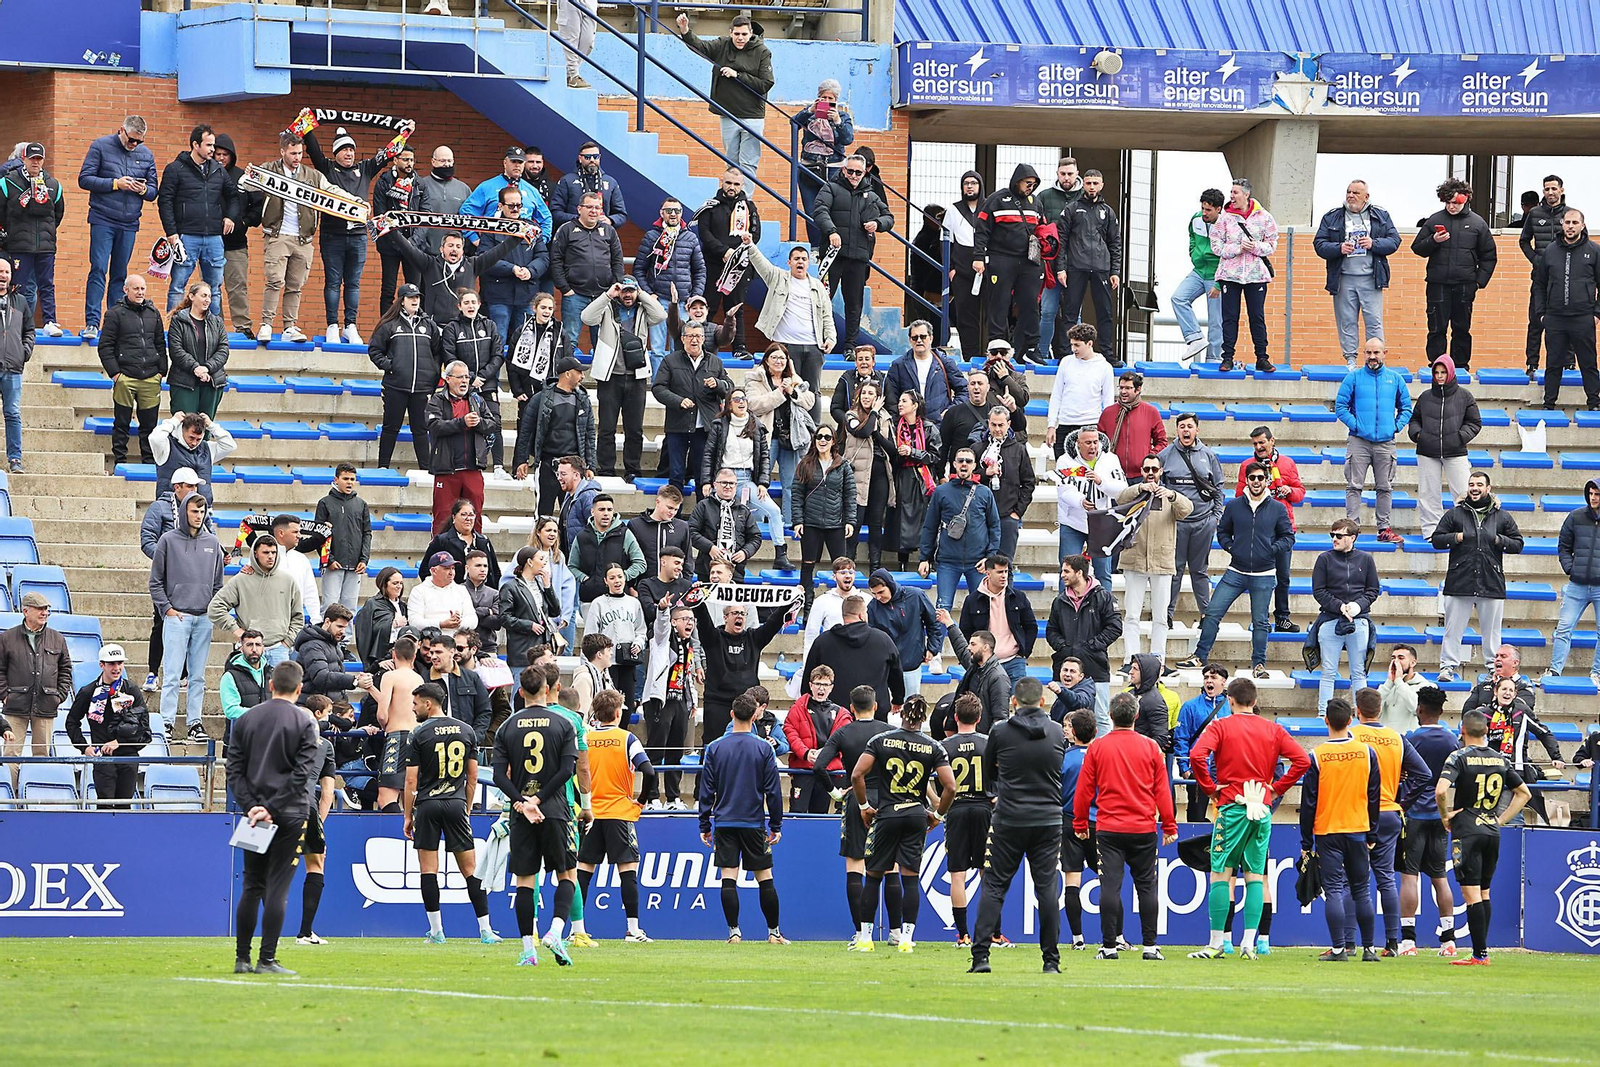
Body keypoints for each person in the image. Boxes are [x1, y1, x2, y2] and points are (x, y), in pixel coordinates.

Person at [1186, 677, 1310, 959]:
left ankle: (1216, 943)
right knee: (1255, 875)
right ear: (1255, 702)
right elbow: (1302, 761)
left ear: (1230, 700)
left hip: (1232, 806)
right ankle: (1249, 944)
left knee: (1221, 873)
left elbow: (1196, 755)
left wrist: (1209, 788)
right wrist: (1275, 788)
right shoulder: (1273, 729)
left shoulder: (1221, 726)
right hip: (1261, 807)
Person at [227, 660, 322, 975]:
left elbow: (234, 770)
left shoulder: (246, 719)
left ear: (270, 686)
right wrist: (273, 806)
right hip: (290, 812)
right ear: (299, 688)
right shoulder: (305, 722)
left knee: (252, 884)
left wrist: (253, 805)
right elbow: (302, 774)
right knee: (277, 887)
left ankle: (242, 959)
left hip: (254, 814)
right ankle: (266, 959)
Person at [968, 677, 1067, 974]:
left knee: (995, 885)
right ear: (1042, 701)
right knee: (1047, 888)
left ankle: (981, 957)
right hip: (1048, 818)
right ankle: (1051, 960)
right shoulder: (1057, 731)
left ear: (1013, 702)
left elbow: (987, 773)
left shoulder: (1000, 731)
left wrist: (999, 794)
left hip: (1009, 817)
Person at [849, 694, 956, 954]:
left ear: (901, 714)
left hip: (887, 813)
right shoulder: (934, 747)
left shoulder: (880, 740)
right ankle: (906, 938)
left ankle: (865, 938)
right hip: (915, 814)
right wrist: (937, 815)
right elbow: (950, 787)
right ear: (924, 718)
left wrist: (864, 806)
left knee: (873, 876)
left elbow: (856, 774)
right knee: (910, 879)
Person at [1074, 691, 1177, 960]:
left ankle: (1109, 947)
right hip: (1143, 827)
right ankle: (1150, 947)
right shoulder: (1151, 747)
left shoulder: (1098, 747)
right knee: (1147, 886)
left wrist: (1080, 822)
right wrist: (1169, 825)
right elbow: (1162, 790)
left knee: (1110, 885)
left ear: (1109, 716)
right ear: (1137, 715)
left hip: (1109, 828)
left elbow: (1084, 789)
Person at [492, 665, 580, 966]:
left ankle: (529, 950)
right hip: (554, 810)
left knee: (524, 881)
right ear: (547, 689)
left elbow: (499, 776)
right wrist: (540, 799)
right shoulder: (564, 724)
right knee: (566, 873)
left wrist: (522, 802)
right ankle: (556, 931)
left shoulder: (507, 727)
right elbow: (567, 770)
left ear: (520, 692)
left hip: (522, 815)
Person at [1177, 461, 1295, 680]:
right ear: (1247, 480)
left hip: (1264, 574)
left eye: (1261, 478)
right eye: (1253, 478)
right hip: (1236, 571)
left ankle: (1259, 665)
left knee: (1260, 622)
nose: (1257, 482)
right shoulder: (1234, 505)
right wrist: (1232, 547)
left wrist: (1271, 550)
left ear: (1267, 480)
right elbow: (1222, 532)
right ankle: (1200, 656)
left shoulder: (1277, 508)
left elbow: (1288, 537)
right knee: (1212, 612)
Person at [401, 681, 497, 944]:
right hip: (456, 803)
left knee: (428, 871)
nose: (413, 708)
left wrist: (408, 816)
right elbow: (473, 776)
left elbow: (410, 781)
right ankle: (486, 930)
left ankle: (436, 931)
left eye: (415, 703)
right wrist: (465, 808)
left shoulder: (418, 733)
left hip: (428, 805)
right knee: (471, 871)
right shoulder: (467, 731)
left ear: (428, 703)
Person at [1438, 710, 1532, 965]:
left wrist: (1446, 816)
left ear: (1463, 732)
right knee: (1484, 892)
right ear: (1487, 732)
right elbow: (1524, 794)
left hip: (1467, 829)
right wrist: (1500, 819)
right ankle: (1482, 950)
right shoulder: (1500, 759)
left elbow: (1441, 790)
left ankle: (1480, 955)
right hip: (1491, 829)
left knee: (1471, 895)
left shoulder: (1459, 757)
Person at [697, 692, 789, 945]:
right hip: (754, 823)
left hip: (725, 823)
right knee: (765, 878)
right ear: (755, 715)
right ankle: (774, 933)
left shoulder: (714, 747)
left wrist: (704, 824)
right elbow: (773, 791)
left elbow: (706, 791)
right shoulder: (763, 748)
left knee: (729, 878)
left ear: (732, 714)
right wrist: (776, 825)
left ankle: (734, 932)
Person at [1298, 696, 1382, 962]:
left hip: (1328, 830)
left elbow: (1308, 801)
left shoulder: (1317, 756)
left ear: (1326, 721)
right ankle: (1369, 948)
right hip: (1358, 828)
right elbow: (1374, 796)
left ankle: (1338, 949)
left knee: (1334, 890)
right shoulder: (1368, 753)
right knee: (1361, 889)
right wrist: (1373, 833)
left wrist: (1305, 840)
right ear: (1350, 720)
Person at [1352, 688, 1434, 955]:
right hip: (1389, 813)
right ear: (1381, 710)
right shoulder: (1396, 739)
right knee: (1386, 878)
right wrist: (1403, 803)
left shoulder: (1352, 736)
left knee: (1356, 880)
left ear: (1357, 710)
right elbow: (1424, 774)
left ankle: (1350, 943)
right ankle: (1391, 942)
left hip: (1358, 814)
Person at [809, 685, 892, 939]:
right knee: (892, 867)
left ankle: (861, 931)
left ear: (851, 708)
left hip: (857, 798)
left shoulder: (843, 732)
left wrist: (834, 792)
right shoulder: (889, 732)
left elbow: (820, 767)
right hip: (888, 800)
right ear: (876, 706)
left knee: (855, 866)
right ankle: (898, 931)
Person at [302, 124, 397, 344]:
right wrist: (306, 126)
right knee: (333, 282)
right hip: (332, 235)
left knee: (353, 283)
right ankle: (332, 325)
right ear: (336, 153)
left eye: (351, 149)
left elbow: (387, 154)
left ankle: (350, 326)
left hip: (357, 237)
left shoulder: (364, 168)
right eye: (344, 150)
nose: (349, 153)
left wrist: (404, 133)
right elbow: (313, 148)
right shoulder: (326, 168)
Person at [577, 689, 656, 942]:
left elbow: (573, 771)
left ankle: (575, 929)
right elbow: (650, 772)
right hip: (620, 813)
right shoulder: (627, 739)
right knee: (627, 872)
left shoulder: (585, 738)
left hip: (590, 814)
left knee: (583, 873)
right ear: (618, 713)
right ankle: (633, 929)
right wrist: (641, 801)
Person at [1433, 471, 1523, 684]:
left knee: (1492, 632)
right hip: (1459, 580)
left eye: (1479, 484)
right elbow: (1436, 539)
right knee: (1452, 629)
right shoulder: (1455, 514)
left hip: (1491, 581)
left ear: (1488, 488)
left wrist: (1499, 540)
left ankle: (1494, 668)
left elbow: (1518, 543)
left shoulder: (1502, 516)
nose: (1475, 488)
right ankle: (1448, 667)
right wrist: (1456, 537)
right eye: (1472, 484)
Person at [149, 492, 224, 742]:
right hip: (177, 616)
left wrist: (210, 610)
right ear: (183, 512)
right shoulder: (167, 541)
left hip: (203, 618)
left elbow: (217, 584)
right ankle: (167, 723)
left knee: (198, 675)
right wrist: (168, 609)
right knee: (171, 673)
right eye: (194, 511)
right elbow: (155, 581)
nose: (198, 516)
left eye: (202, 512)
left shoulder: (213, 543)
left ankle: (195, 723)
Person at [78, 116, 158, 342]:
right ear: (121, 131)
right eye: (132, 140)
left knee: (120, 275)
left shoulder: (146, 154)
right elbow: (84, 179)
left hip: (129, 221)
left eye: (139, 142)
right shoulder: (101, 146)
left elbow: (153, 191)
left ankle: (113, 324)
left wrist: (142, 190)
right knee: (98, 269)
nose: (135, 145)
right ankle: (92, 322)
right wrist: (115, 184)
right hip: (103, 218)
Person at [256, 133, 338, 343]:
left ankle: (289, 327)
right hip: (277, 234)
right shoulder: (269, 169)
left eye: (300, 153)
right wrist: (249, 177)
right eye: (293, 153)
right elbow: (247, 185)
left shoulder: (312, 175)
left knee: (295, 285)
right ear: (282, 151)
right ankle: (266, 324)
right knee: (275, 280)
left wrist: (354, 202)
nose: (297, 157)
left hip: (303, 239)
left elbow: (331, 191)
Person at [1399, 686, 1462, 956]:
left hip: (1413, 814)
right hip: (1440, 815)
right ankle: (1448, 940)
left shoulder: (1412, 739)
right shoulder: (1451, 740)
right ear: (1442, 710)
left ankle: (1408, 942)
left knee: (1409, 876)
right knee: (1440, 876)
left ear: (1419, 709)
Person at [1313, 179, 1401, 368]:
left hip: (1371, 278)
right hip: (1344, 278)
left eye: (1356, 193)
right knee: (1346, 321)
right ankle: (1350, 360)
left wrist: (1373, 244)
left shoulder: (1380, 215)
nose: (1351, 196)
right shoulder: (1333, 217)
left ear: (1366, 197)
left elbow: (1394, 241)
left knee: (1374, 321)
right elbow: (1319, 244)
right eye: (1348, 192)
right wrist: (1339, 248)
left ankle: (1375, 359)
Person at [1411, 177, 1498, 370]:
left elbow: (1489, 256)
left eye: (1455, 202)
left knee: (1461, 328)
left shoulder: (1478, 223)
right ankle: (1437, 365)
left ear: (1465, 198)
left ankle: (1460, 366)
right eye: (1447, 202)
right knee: (1436, 328)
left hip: (1465, 285)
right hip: (1437, 283)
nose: (1451, 206)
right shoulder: (1435, 220)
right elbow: (1417, 248)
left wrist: (1478, 282)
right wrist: (1434, 240)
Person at [673, 12, 773, 175]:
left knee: (748, 164)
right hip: (727, 113)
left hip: (753, 115)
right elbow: (701, 47)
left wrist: (738, 75)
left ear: (751, 33)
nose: (740, 38)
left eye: (744, 34)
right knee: (731, 163)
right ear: (730, 32)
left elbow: (766, 83)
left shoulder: (762, 52)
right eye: (737, 34)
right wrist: (685, 29)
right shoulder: (722, 44)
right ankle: (733, 198)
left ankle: (745, 199)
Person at [814, 154, 893, 355]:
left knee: (854, 305)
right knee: (822, 300)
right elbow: (820, 210)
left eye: (858, 172)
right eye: (850, 171)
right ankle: (817, 341)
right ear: (843, 170)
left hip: (858, 257)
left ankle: (850, 346)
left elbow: (889, 218)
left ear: (864, 172)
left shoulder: (872, 195)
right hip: (833, 256)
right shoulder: (831, 188)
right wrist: (831, 231)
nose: (854, 175)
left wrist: (878, 224)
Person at [1335, 338, 1412, 546]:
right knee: (1354, 486)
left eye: (1376, 353)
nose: (1372, 357)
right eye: (1368, 353)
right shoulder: (1354, 378)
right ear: (1363, 354)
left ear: (1384, 353)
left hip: (1386, 443)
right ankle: (1351, 528)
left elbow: (1406, 408)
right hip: (1358, 441)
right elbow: (1340, 406)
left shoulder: (1395, 379)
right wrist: (1357, 425)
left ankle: (1384, 529)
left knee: (1385, 487)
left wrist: (1395, 427)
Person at [1116, 454, 1191, 666]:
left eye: (1154, 469)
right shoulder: (1135, 492)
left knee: (1160, 616)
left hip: (1162, 562)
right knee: (1131, 614)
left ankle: (1158, 659)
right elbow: (1120, 498)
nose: (1150, 473)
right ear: (1141, 471)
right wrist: (1140, 489)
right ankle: (1131, 659)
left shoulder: (1169, 495)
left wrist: (1173, 495)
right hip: (1135, 559)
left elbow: (1187, 510)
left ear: (1160, 472)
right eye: (1146, 469)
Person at [586, 278, 664, 480]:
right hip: (610, 376)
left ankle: (632, 469)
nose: (627, 295)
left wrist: (642, 293)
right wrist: (608, 295)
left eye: (631, 291)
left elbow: (661, 315)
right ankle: (606, 469)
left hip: (636, 376)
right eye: (624, 291)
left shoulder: (642, 309)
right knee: (606, 427)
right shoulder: (607, 308)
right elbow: (587, 317)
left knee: (634, 428)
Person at [693, 591, 796, 741]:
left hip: (747, 704)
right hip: (718, 703)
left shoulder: (753, 638)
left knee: (746, 745)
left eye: (742, 613)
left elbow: (773, 623)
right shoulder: (714, 638)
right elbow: (703, 620)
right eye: (735, 613)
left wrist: (790, 600)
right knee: (713, 745)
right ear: (726, 617)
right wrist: (698, 599)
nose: (739, 616)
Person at [156, 124, 237, 311]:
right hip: (186, 236)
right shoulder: (175, 169)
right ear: (195, 144)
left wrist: (230, 217)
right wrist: (172, 233)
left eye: (213, 145)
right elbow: (165, 201)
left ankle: (214, 333)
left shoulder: (218, 170)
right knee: (178, 286)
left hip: (214, 237)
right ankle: (174, 329)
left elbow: (233, 196)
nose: (212, 150)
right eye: (208, 145)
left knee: (215, 289)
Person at [378, 227, 526, 326]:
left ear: (462, 250)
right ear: (442, 249)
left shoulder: (473, 264)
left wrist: (518, 237)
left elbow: (497, 252)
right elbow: (408, 249)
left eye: (458, 246)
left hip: (462, 327)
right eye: (450, 246)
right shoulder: (429, 264)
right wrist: (391, 230)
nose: (454, 249)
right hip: (435, 327)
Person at [971, 164, 1045, 361]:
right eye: (1027, 183)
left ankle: (1030, 348)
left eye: (1034, 184)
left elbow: (1042, 228)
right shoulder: (996, 200)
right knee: (999, 303)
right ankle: (997, 346)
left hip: (1029, 261)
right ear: (1017, 181)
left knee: (1031, 303)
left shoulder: (1036, 202)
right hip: (1001, 259)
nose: (1030, 187)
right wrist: (979, 257)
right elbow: (981, 230)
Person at [708, 385, 787, 567]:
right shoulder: (719, 425)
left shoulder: (757, 426)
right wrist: (707, 481)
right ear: (729, 404)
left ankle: (781, 554)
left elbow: (764, 456)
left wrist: (763, 483)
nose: (741, 402)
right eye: (736, 399)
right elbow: (708, 454)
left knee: (773, 511)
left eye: (743, 399)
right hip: (724, 477)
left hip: (746, 479)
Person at [1160, 413, 1226, 629]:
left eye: (1189, 426)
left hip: (1203, 522)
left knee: (1199, 571)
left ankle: (1206, 616)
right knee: (1175, 570)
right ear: (1176, 430)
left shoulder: (1208, 455)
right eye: (1181, 427)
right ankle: (1166, 614)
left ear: (1197, 430)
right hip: (1175, 524)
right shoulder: (1165, 455)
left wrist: (1215, 518)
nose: (1185, 430)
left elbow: (1219, 489)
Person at [1309, 519, 1382, 714]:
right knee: (1328, 672)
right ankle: (1323, 714)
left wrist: (1357, 607)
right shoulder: (1324, 559)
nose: (1334, 539)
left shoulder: (1366, 559)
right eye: (1332, 535)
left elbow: (1373, 590)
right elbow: (1319, 591)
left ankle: (1362, 714)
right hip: (1330, 618)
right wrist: (1340, 606)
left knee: (1358, 671)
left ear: (1352, 537)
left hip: (1358, 619)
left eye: (1339, 535)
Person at [368, 282, 442, 471]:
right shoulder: (390, 325)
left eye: (417, 297)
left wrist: (432, 374)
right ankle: (383, 467)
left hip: (422, 389)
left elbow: (437, 352)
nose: (415, 300)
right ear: (402, 301)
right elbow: (375, 350)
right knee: (391, 428)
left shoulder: (429, 325)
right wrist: (391, 366)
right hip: (396, 386)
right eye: (411, 297)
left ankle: (426, 469)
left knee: (421, 430)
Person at [1046, 554, 1123, 735]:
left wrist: (1091, 646)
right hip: (1065, 666)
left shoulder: (1103, 597)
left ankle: (1102, 759)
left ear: (1079, 573)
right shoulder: (1060, 600)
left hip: (1095, 667)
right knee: (1061, 717)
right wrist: (1063, 646)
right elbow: (1051, 630)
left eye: (1066, 571)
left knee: (1101, 717)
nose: (1062, 575)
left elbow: (1115, 627)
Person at [65, 643, 149, 808]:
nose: (116, 668)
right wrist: (84, 747)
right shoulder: (88, 692)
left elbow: (144, 727)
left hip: (129, 757)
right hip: (102, 758)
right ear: (101, 665)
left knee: (124, 806)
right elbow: (72, 722)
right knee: (105, 806)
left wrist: (119, 742)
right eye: (111, 663)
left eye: (120, 663)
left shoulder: (131, 690)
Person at [936, 694, 991, 947]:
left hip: (956, 809)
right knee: (986, 871)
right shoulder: (989, 743)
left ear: (956, 717)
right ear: (979, 718)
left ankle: (963, 934)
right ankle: (993, 933)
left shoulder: (944, 747)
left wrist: (937, 801)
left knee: (957, 873)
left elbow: (928, 778)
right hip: (983, 808)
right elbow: (1007, 776)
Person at [744, 343, 815, 537]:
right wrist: (780, 393)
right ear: (767, 360)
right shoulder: (755, 377)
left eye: (782, 358)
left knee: (791, 483)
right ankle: (755, 525)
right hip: (766, 438)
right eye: (774, 357)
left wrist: (793, 392)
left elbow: (809, 401)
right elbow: (753, 405)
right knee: (759, 482)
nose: (779, 361)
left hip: (790, 439)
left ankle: (791, 523)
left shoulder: (793, 378)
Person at [653, 320, 734, 491]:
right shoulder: (670, 360)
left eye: (698, 336)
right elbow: (658, 388)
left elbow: (730, 389)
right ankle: (674, 515)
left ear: (704, 339)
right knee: (676, 474)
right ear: (682, 339)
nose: (694, 340)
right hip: (678, 425)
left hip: (705, 428)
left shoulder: (715, 362)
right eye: (690, 336)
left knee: (702, 475)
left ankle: (701, 515)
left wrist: (718, 384)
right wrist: (678, 401)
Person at [1238, 426, 1305, 633]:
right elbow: (1239, 494)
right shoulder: (1247, 466)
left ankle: (1282, 617)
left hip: (1283, 528)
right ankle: (1261, 619)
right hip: (1257, 530)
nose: (1258, 447)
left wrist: (1289, 490)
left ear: (1272, 441)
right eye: (1255, 444)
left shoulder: (1287, 463)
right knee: (1260, 577)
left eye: (1262, 443)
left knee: (1283, 576)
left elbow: (1300, 492)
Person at [1053, 169, 1122, 365]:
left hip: (1101, 268)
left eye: (1095, 183)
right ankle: (1065, 355)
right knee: (1070, 312)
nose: (1092, 186)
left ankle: (1108, 354)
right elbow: (1062, 241)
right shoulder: (1072, 209)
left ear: (1102, 185)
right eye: (1089, 183)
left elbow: (1115, 243)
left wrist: (1115, 271)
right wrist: (1061, 268)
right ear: (1083, 184)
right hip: (1076, 267)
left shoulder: (1108, 211)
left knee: (1105, 312)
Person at [1533, 206, 1600, 410]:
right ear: (1562, 224)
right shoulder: (1550, 251)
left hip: (1583, 317)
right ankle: (1549, 404)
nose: (1570, 226)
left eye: (1574, 223)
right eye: (1567, 222)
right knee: (1553, 363)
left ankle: (1595, 403)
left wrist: (1597, 313)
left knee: (1588, 363)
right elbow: (1539, 284)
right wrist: (1542, 313)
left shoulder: (1594, 251)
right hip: (1555, 318)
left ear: (1583, 225)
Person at [639, 597, 702, 809]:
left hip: (680, 701)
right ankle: (652, 797)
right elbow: (661, 626)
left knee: (676, 751)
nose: (690, 623)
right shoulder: (662, 640)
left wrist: (692, 699)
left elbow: (687, 674)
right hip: (660, 701)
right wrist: (663, 610)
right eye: (685, 619)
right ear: (674, 622)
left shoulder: (689, 645)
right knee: (656, 750)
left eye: (692, 620)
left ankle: (673, 797)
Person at [1210, 178, 1278, 373]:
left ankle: (1262, 358)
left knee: (1257, 316)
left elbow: (1272, 244)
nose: (1232, 196)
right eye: (1231, 192)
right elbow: (1216, 245)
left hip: (1256, 275)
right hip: (1230, 275)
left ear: (1246, 194)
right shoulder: (1224, 218)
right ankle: (1227, 358)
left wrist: (1255, 247)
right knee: (1229, 316)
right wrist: (1237, 249)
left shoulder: (1264, 217)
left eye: (1235, 192)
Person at [1408, 355, 1481, 537]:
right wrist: (1419, 435)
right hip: (1427, 451)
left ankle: (1468, 531)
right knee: (1428, 493)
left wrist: (1459, 437)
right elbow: (1415, 419)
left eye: (1443, 372)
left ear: (1450, 373)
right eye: (1437, 372)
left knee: (1464, 492)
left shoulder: (1464, 396)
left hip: (1455, 451)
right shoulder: (1425, 397)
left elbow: (1474, 422)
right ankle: (1431, 532)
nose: (1440, 376)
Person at [920, 447, 1000, 611]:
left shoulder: (985, 493)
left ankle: (977, 638)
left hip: (978, 563)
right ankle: (937, 639)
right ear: (954, 464)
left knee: (981, 609)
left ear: (974, 465)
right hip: (947, 562)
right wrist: (924, 558)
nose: (964, 464)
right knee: (942, 609)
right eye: (961, 461)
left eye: (968, 461)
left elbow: (994, 526)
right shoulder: (941, 492)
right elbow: (930, 526)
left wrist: (989, 557)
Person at [208, 531, 302, 670]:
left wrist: (287, 642)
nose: (270, 556)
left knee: (279, 692)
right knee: (248, 691)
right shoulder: (241, 580)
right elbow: (214, 608)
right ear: (255, 554)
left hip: (279, 650)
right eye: (265, 552)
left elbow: (298, 617)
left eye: (273, 552)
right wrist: (237, 631)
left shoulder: (289, 581)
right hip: (249, 649)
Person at [426, 359, 500, 534]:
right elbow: (434, 426)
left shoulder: (477, 399)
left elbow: (493, 424)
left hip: (472, 469)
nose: (465, 381)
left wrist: (479, 422)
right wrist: (462, 422)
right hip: (446, 470)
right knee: (443, 516)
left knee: (474, 515)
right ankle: (441, 556)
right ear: (448, 379)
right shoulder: (437, 400)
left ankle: (474, 554)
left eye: (467, 377)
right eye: (460, 377)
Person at [99, 274, 166, 466]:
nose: (140, 292)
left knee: (150, 426)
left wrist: (161, 371)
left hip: (151, 378)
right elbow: (105, 346)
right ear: (126, 290)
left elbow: (160, 344)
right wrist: (116, 374)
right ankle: (120, 461)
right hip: (125, 378)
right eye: (136, 288)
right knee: (121, 423)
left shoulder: (153, 313)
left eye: (143, 288)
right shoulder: (114, 314)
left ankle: (149, 463)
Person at [694, 168, 761, 356]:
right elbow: (705, 234)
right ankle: (701, 346)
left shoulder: (750, 208)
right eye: (728, 183)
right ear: (721, 182)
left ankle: (739, 348)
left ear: (742, 185)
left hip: (739, 266)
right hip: (714, 264)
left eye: (736, 184)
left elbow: (755, 235)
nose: (732, 187)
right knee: (708, 307)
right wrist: (724, 251)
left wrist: (736, 253)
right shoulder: (710, 207)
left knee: (736, 308)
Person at [0, 142, 64, 338]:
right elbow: (1, 212)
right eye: (32, 159)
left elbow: (58, 213)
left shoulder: (53, 184)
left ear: (43, 161)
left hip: (45, 245)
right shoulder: (8, 182)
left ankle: (50, 321)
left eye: (39, 159)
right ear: (24, 159)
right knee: (19, 285)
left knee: (47, 284)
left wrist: (48, 234)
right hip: (19, 244)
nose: (35, 163)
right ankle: (18, 324)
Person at [514, 359, 597, 509]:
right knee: (543, 513)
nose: (583, 376)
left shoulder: (583, 400)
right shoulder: (540, 398)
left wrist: (590, 465)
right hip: (547, 464)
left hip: (574, 466)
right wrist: (521, 460)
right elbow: (526, 431)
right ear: (567, 374)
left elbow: (589, 434)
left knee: (573, 514)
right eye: (579, 372)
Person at [790, 423, 857, 607]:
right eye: (819, 436)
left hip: (836, 523)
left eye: (827, 437)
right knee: (807, 564)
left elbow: (850, 494)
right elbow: (796, 494)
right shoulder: (805, 463)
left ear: (833, 441)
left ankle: (844, 603)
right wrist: (798, 521)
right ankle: (806, 603)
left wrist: (850, 520)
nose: (823, 440)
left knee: (842, 567)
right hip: (811, 522)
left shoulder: (842, 465)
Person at [551, 190, 625, 355]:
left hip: (603, 295)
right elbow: (555, 260)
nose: (594, 211)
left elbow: (617, 261)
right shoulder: (566, 230)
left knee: (602, 343)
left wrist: (615, 285)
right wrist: (565, 289)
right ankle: (566, 379)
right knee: (569, 341)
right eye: (589, 207)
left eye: (597, 208)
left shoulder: (609, 231)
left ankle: (603, 381)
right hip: (574, 295)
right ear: (579, 209)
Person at [955, 554, 1037, 695]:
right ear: (987, 573)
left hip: (1014, 661)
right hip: (985, 664)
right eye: (999, 572)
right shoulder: (972, 600)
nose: (1004, 576)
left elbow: (1031, 627)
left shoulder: (1019, 597)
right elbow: (965, 632)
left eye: (1006, 572)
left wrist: (1023, 653)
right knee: (985, 708)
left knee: (1017, 707)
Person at [1056, 427, 1124, 586]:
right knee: (1067, 570)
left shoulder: (1111, 459)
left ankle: (1105, 609)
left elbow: (1122, 489)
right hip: (1073, 522)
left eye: (1095, 442)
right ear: (1078, 444)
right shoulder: (1065, 461)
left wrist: (1101, 482)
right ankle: (1065, 608)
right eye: (1087, 443)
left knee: (1103, 572)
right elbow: (1064, 490)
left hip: (1101, 521)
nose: (1092, 446)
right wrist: (1081, 501)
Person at [1548, 480, 1600, 685]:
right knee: (1563, 628)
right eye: (1591, 493)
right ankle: (1555, 671)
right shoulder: (1576, 516)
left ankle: (1597, 673)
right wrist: (1571, 568)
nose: (1593, 498)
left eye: (1597, 494)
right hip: (1577, 585)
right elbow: (1563, 546)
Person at [841, 379, 894, 569]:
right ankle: (848, 563)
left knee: (876, 520)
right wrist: (873, 413)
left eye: (871, 394)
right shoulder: (850, 414)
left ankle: (875, 565)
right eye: (864, 393)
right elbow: (862, 432)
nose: (866, 397)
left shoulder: (886, 417)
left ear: (878, 397)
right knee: (854, 519)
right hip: (857, 473)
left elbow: (891, 448)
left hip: (879, 471)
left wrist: (878, 433)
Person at [212, 132, 261, 337]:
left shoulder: (243, 177)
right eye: (217, 154)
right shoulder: (206, 175)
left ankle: (242, 326)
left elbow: (258, 206)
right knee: (212, 288)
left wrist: (243, 222)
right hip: (209, 242)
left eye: (225, 154)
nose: (221, 158)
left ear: (232, 155)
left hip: (236, 244)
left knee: (237, 286)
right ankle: (215, 327)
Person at [1034, 158, 1083, 359]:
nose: (1066, 177)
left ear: (1076, 173)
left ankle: (1077, 356)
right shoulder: (1044, 197)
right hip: (1050, 266)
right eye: (1063, 173)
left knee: (1075, 315)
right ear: (1057, 173)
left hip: (1077, 265)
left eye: (1070, 173)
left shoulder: (1084, 197)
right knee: (1047, 312)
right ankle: (1042, 355)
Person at [458, 145, 552, 251]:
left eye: (520, 162)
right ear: (505, 162)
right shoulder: (487, 186)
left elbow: (546, 218)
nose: (517, 165)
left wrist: (540, 242)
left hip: (522, 247)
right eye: (513, 161)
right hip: (493, 245)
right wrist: (474, 238)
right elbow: (466, 211)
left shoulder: (532, 191)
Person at [971, 405, 1034, 561]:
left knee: (1005, 565)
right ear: (988, 424)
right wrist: (985, 474)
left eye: (1001, 425)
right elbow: (967, 478)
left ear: (1008, 424)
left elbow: (1029, 483)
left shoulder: (1019, 449)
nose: (997, 429)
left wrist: (1017, 513)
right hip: (980, 516)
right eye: (993, 425)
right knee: (979, 563)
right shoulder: (977, 448)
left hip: (1007, 516)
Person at [887, 391, 941, 570]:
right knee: (902, 519)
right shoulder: (894, 426)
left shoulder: (928, 427)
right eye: (899, 400)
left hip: (922, 479)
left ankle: (927, 560)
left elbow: (936, 456)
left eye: (904, 401)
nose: (900, 404)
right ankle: (902, 562)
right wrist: (900, 454)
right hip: (902, 477)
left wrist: (912, 452)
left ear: (915, 405)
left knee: (925, 519)